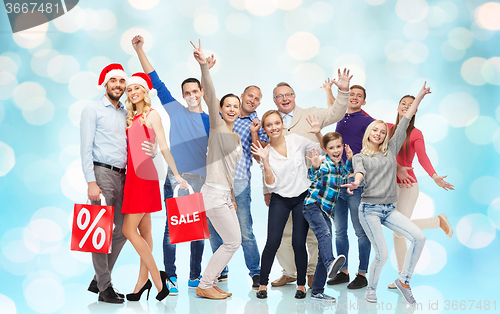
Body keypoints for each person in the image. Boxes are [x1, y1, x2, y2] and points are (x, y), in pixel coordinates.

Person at [132, 35, 211, 293]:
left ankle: (195, 275)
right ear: (182, 95)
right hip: (176, 178)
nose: (191, 96)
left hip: (200, 179)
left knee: (198, 230)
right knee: (171, 229)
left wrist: (205, 69)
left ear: (201, 93)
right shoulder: (175, 110)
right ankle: (172, 275)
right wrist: (140, 49)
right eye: (187, 93)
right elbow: (155, 79)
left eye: (195, 92)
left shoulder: (211, 120)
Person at [343, 82, 431, 305]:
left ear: (386, 136)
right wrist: (356, 182)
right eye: (375, 130)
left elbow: (404, 122)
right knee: (382, 255)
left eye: (383, 132)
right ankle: (371, 289)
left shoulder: (391, 149)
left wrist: (419, 97)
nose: (379, 134)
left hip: (389, 209)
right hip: (369, 210)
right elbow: (360, 173)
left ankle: (404, 281)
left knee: (419, 237)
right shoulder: (359, 157)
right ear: (368, 133)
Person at [268, 69, 351, 288]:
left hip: (312, 186)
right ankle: (290, 272)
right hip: (282, 189)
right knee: (283, 234)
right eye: (279, 96)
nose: (284, 99)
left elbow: (336, 113)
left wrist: (342, 91)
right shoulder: (271, 121)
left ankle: (313, 271)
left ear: (294, 96)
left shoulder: (311, 114)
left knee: (313, 233)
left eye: (288, 94)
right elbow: (265, 160)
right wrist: (266, 190)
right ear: (274, 100)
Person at [80, 63, 155, 303]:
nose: (119, 86)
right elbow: (85, 148)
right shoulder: (92, 109)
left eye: (122, 82)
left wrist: (152, 149)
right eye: (114, 81)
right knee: (100, 230)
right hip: (101, 173)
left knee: (123, 231)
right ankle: (105, 286)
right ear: (106, 83)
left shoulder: (126, 112)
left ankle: (100, 278)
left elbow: (139, 140)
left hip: (125, 176)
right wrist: (91, 182)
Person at [121, 72, 188, 302]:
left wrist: (176, 174)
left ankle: (158, 281)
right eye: (129, 90)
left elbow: (164, 147)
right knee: (145, 231)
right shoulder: (130, 117)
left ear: (144, 92)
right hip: (132, 177)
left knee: (128, 231)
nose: (133, 93)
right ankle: (142, 283)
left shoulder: (152, 115)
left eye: (136, 88)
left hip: (145, 177)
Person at [251, 111, 332, 299]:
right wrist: (265, 160)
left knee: (298, 242)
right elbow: (271, 185)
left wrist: (319, 133)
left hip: (302, 197)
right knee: (273, 242)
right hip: (280, 199)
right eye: (269, 125)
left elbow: (322, 150)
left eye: (277, 123)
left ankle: (301, 285)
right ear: (265, 129)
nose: (274, 127)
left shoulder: (296, 140)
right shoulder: (266, 152)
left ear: (282, 124)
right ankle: (262, 285)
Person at [386, 94, 454, 289]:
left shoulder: (415, 133)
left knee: (399, 229)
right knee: (396, 230)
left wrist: (434, 176)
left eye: (410, 105)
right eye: (403, 103)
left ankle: (402, 277)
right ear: (398, 107)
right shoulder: (388, 128)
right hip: (390, 187)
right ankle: (437, 221)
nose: (406, 107)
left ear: (415, 109)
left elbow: (423, 157)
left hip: (407, 186)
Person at [203, 85, 268, 288]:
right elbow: (211, 101)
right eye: (250, 95)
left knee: (244, 231)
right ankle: (219, 271)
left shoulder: (257, 124)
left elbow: (259, 156)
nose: (252, 100)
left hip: (238, 183)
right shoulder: (222, 120)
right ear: (242, 97)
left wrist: (254, 133)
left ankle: (256, 272)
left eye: (257, 98)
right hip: (215, 185)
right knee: (215, 231)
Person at [192, 40, 242, 300]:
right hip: (212, 194)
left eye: (236, 106)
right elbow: (210, 94)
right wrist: (204, 67)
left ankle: (208, 282)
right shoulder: (218, 127)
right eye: (227, 105)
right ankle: (205, 284)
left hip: (224, 194)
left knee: (233, 241)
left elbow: (229, 171)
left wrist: (232, 195)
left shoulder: (235, 138)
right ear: (221, 110)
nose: (232, 109)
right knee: (233, 242)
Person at [324, 84, 374, 289]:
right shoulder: (341, 116)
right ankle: (343, 272)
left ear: (364, 101)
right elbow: (333, 107)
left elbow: (375, 148)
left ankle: (362, 274)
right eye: (350, 94)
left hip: (355, 185)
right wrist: (329, 92)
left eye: (358, 96)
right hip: (337, 184)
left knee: (361, 232)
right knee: (339, 232)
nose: (353, 98)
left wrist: (359, 169)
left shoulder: (368, 121)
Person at [302, 131, 353, 302]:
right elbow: (312, 176)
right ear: (325, 150)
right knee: (325, 234)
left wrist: (350, 160)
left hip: (325, 211)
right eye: (331, 148)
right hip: (313, 206)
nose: (336, 150)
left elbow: (344, 173)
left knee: (324, 248)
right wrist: (315, 166)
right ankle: (331, 262)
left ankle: (317, 291)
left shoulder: (339, 166)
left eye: (338, 146)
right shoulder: (325, 165)